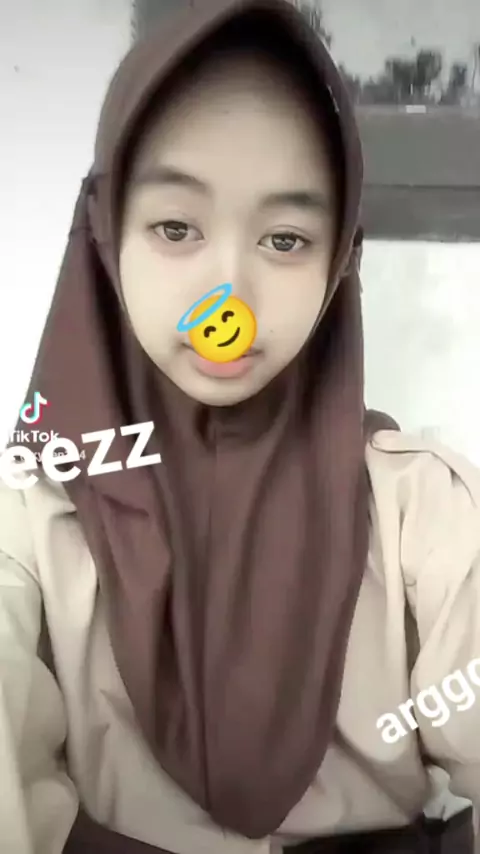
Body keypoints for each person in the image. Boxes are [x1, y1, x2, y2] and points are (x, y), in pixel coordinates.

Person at [0, 1, 479, 852]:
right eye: (175, 227)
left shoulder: (422, 511)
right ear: (106, 236)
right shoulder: (32, 517)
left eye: (286, 240)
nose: (229, 300)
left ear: (341, 260)